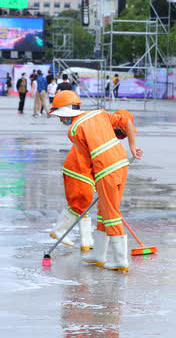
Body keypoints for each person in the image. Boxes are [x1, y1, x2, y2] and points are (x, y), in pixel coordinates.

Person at [50, 90, 142, 272]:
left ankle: (120, 260)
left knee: (111, 213)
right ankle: (100, 254)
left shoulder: (74, 130)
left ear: (65, 112)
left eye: (60, 116)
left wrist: (96, 181)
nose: (60, 120)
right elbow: (127, 121)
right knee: (104, 210)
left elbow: (87, 158)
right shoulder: (100, 113)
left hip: (105, 171)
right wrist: (132, 146)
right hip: (122, 164)